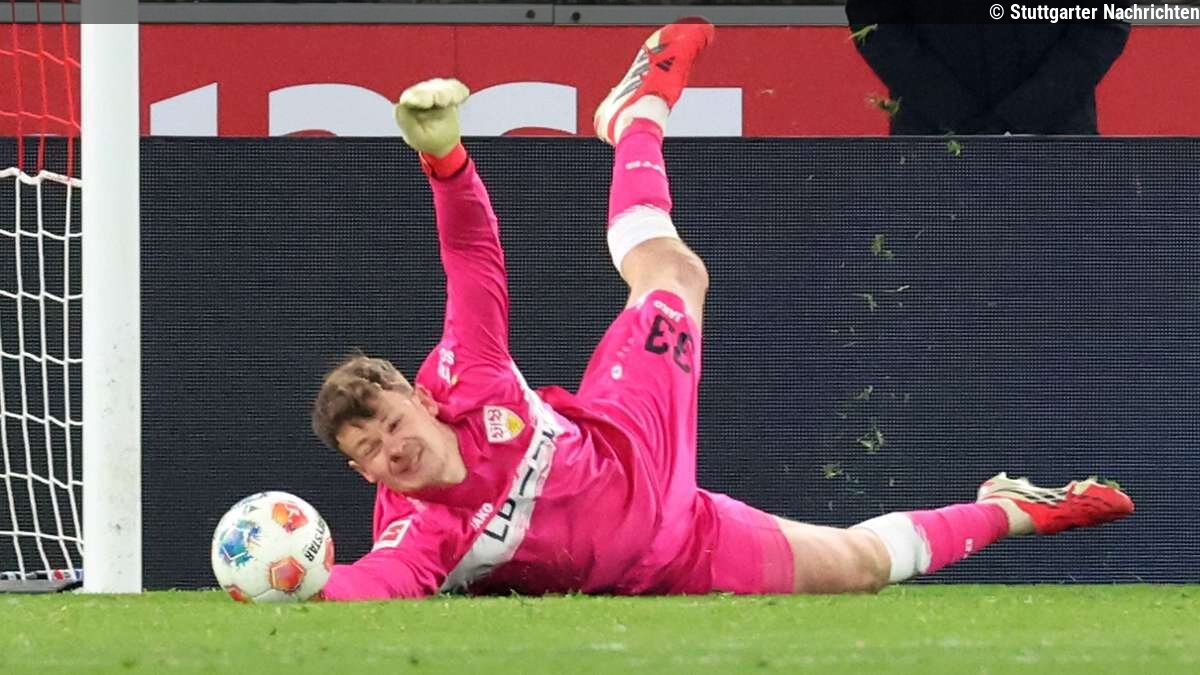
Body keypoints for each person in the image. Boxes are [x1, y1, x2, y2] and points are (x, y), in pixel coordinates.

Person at [309, 19, 1133, 601]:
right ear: (362, 474)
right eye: (370, 451)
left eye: (390, 423)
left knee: (676, 272)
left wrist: (445, 160)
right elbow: (368, 584)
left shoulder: (469, 376)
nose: (393, 449)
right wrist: (291, 580)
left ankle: (635, 119)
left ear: (418, 398)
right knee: (857, 567)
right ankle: (1008, 507)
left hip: (630, 432)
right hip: (673, 550)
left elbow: (473, 260)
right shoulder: (420, 532)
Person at [845, 0, 1130, 135]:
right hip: (933, 144)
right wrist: (954, 112)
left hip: (1054, 145)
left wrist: (1024, 113)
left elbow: (1104, 21)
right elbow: (874, 22)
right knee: (934, 238)